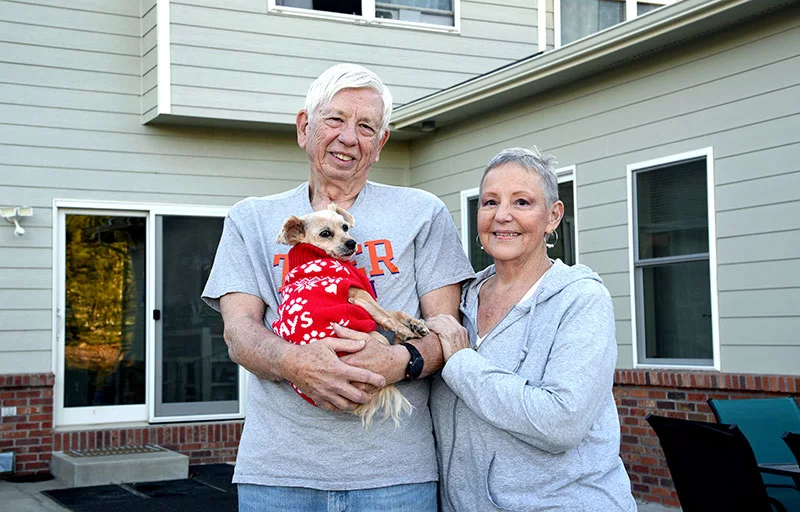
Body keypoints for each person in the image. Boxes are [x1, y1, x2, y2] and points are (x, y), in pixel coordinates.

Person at [201, 63, 474, 511]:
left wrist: (394, 362)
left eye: (366, 126)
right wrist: (295, 362)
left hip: (395, 476)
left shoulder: (422, 212)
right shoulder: (251, 219)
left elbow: (448, 332)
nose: (349, 137)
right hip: (279, 474)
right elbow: (239, 333)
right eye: (335, 120)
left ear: (380, 143)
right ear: (304, 127)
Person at [428, 147, 637, 511]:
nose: (502, 216)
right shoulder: (458, 301)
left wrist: (462, 362)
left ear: (553, 216)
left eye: (522, 202)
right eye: (490, 202)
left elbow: (560, 422)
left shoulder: (581, 300)